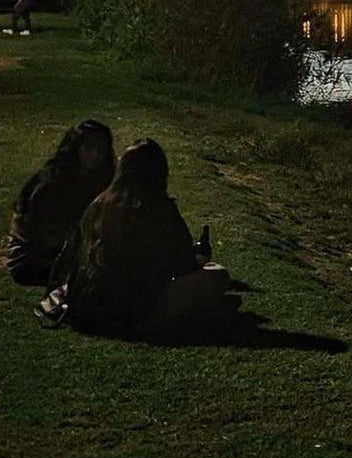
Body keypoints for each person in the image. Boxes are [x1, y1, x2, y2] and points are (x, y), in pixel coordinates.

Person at [49, 138, 229, 338]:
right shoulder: (159, 209)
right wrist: (200, 260)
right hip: (131, 312)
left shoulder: (99, 204)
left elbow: (72, 253)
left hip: (85, 308)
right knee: (218, 275)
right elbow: (181, 264)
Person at [6, 120, 115, 286]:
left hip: (70, 251)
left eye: (101, 149)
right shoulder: (52, 183)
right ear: (76, 149)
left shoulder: (97, 179)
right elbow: (42, 233)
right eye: (89, 148)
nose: (95, 155)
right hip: (32, 257)